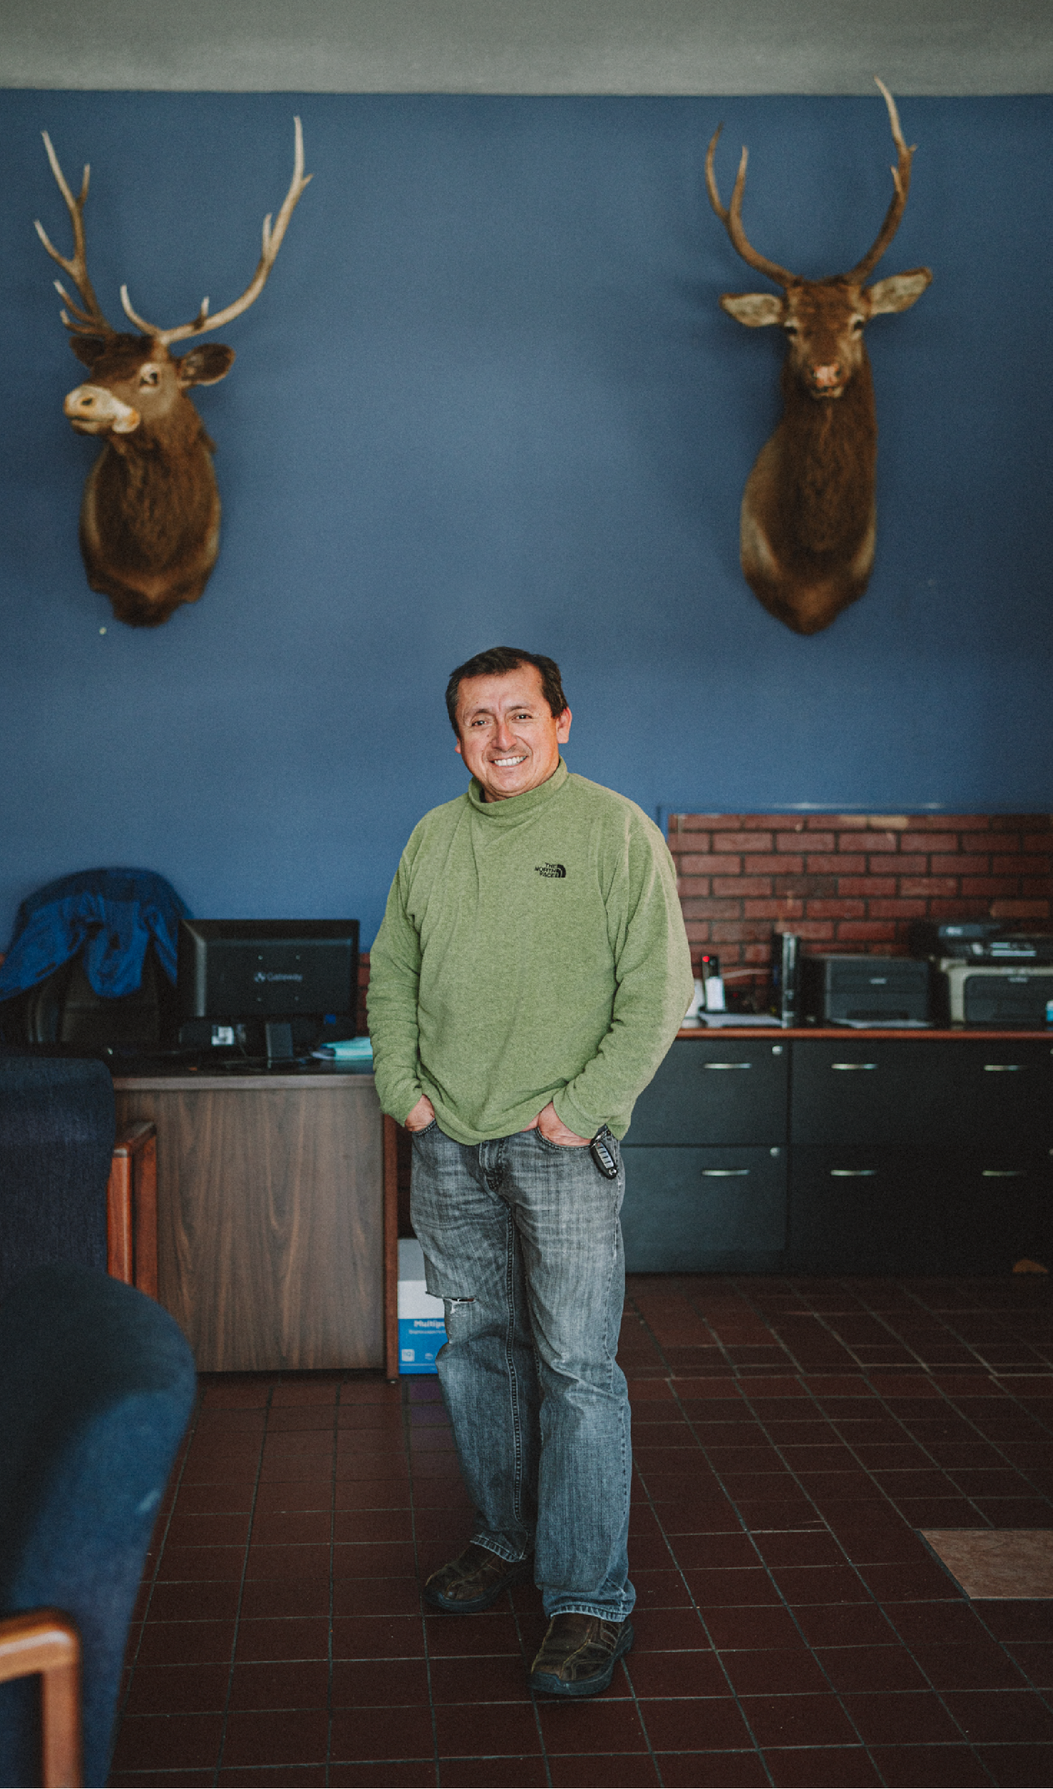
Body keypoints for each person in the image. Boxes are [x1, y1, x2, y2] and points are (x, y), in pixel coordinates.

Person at [365, 647, 689, 1698]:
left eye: (518, 715)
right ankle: (503, 1539)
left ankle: (590, 1601)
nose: (498, 739)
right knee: (475, 1352)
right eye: (476, 721)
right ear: (456, 736)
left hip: (560, 1148)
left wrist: (580, 1109)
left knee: (577, 1371)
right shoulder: (432, 836)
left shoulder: (612, 830)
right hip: (447, 1139)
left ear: (560, 721)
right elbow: (394, 972)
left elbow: (658, 989)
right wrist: (400, 1086)